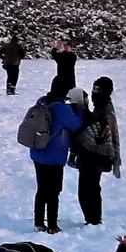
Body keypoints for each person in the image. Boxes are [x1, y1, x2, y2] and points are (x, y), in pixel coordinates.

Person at [30, 85, 86, 232]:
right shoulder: (62, 109)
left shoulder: (42, 102)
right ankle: (53, 225)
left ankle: (39, 222)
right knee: (54, 191)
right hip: (54, 156)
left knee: (42, 189)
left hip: (38, 151)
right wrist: (80, 109)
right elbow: (76, 125)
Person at [70, 75, 122, 225]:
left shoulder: (105, 110)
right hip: (91, 157)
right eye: (93, 89)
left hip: (94, 157)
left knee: (88, 189)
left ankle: (92, 219)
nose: (94, 92)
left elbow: (101, 134)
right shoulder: (101, 108)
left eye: (98, 90)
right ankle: (93, 219)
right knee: (90, 188)